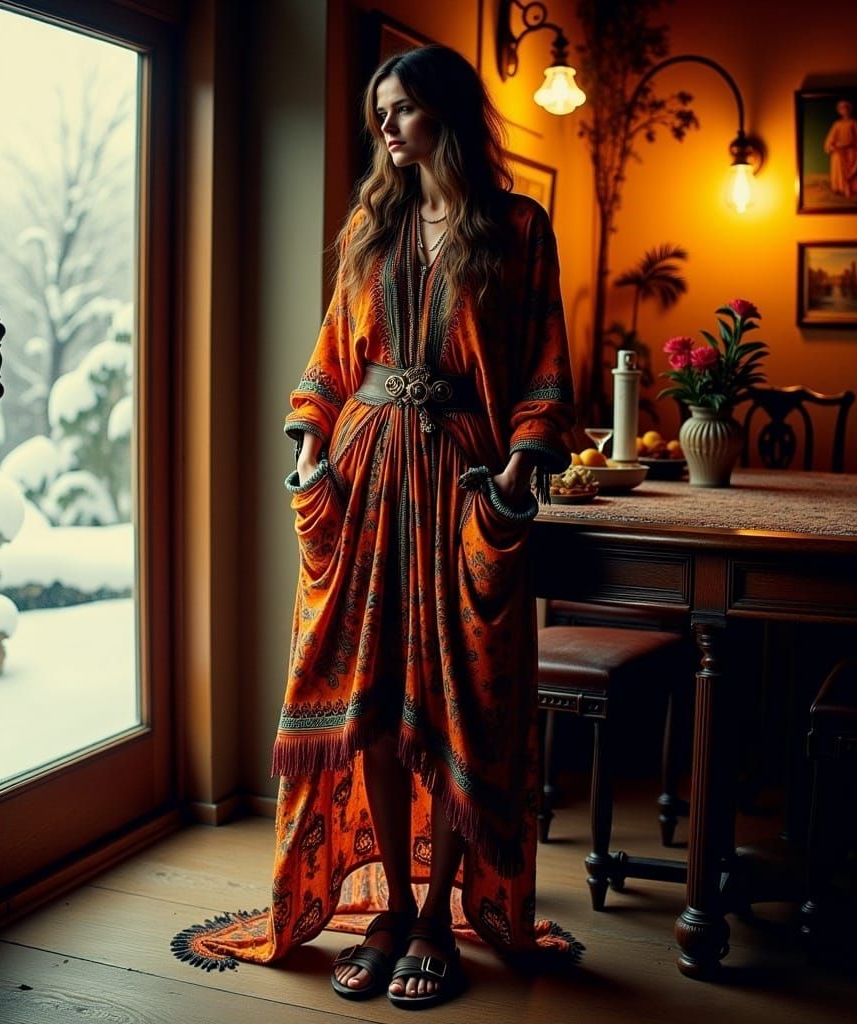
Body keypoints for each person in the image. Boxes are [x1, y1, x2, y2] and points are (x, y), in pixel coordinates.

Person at [171, 43, 580, 1009]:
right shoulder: (371, 226)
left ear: (446, 113)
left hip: (460, 488)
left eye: (401, 108)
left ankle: (439, 916)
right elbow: (329, 356)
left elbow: (545, 366)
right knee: (378, 708)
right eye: (380, 111)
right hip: (364, 486)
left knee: (455, 709)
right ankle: (392, 906)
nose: (385, 126)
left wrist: (514, 475)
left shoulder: (519, 229)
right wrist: (311, 451)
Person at [823, 99, 857, 198]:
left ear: (850, 110)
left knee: (853, 166)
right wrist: (830, 147)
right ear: (839, 111)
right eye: (842, 109)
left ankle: (853, 189)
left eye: (846, 108)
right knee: (837, 159)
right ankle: (840, 188)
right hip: (839, 151)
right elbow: (830, 138)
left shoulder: (854, 123)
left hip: (852, 150)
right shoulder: (837, 124)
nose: (844, 111)